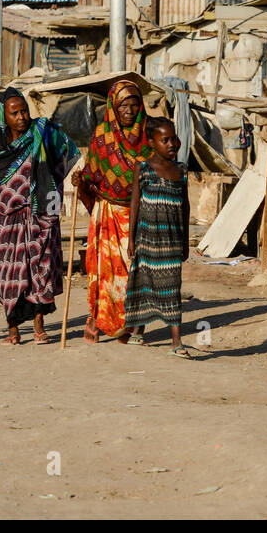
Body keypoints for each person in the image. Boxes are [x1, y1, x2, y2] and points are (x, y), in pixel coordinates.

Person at [0, 88, 80, 345]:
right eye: (15, 113)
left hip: (41, 213)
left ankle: (38, 325)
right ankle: (12, 330)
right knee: (9, 273)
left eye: (24, 111)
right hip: (6, 217)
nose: (22, 117)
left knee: (41, 268)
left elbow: (67, 149)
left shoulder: (43, 133)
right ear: (4, 117)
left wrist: (55, 180)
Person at [72, 80, 151, 343]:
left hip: (138, 216)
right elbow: (91, 173)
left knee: (134, 272)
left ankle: (131, 325)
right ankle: (97, 318)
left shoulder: (148, 138)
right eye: (122, 105)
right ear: (113, 107)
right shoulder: (102, 136)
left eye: (133, 105)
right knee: (102, 271)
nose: (128, 110)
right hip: (106, 213)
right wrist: (80, 181)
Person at [123, 116, 191, 357]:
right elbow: (135, 204)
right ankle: (137, 332)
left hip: (171, 240)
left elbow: (186, 206)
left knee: (172, 287)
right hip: (147, 239)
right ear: (152, 143)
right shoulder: (143, 168)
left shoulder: (181, 170)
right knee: (144, 283)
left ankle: (176, 342)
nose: (171, 144)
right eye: (165, 140)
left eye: (173, 139)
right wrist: (131, 239)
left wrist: (185, 241)